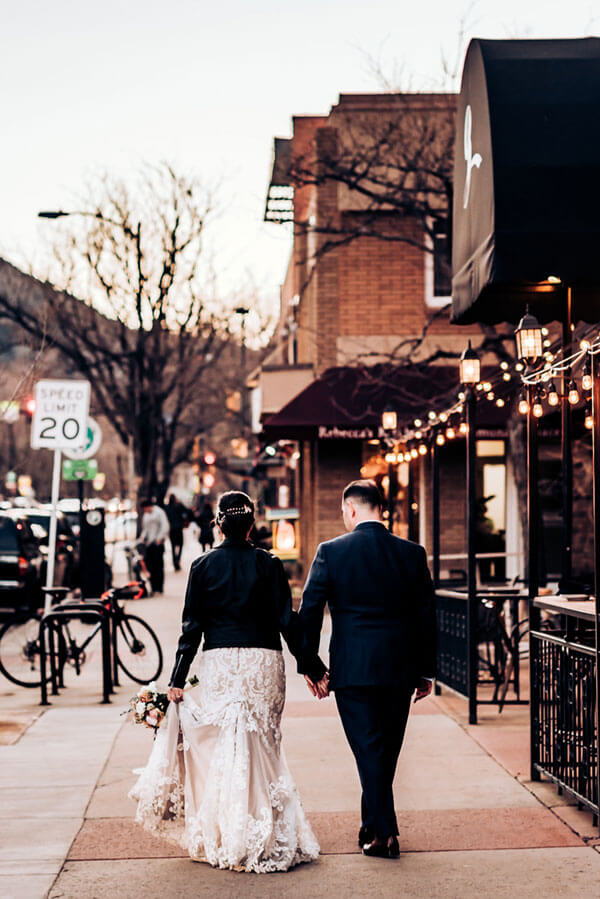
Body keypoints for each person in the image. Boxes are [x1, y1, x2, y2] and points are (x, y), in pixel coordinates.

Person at [130, 491, 327, 873]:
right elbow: (287, 620)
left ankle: (227, 831)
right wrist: (312, 666)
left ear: (218, 524)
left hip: (220, 661)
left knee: (224, 747)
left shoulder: (202, 566)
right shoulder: (269, 564)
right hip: (263, 662)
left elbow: (191, 629)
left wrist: (177, 679)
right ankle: (265, 832)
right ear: (252, 524)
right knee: (263, 746)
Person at [299, 479, 436, 860]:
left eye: (344, 511)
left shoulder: (331, 552)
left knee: (369, 751)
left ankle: (385, 833)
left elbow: (308, 612)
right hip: (399, 668)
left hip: (353, 669)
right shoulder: (411, 553)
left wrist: (312, 666)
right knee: (383, 752)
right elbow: (426, 615)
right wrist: (426, 671)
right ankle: (371, 826)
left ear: (352, 510)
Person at [139, 498, 170, 594]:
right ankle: (153, 587)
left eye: (145, 508)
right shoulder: (146, 515)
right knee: (150, 566)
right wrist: (142, 537)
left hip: (157, 543)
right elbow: (145, 529)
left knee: (158, 566)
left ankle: (159, 588)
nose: (145, 511)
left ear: (149, 506)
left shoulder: (159, 512)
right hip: (149, 544)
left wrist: (160, 538)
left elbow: (165, 526)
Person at [166, 494, 188, 571]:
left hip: (171, 529)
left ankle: (174, 561)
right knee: (180, 545)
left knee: (173, 546)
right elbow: (187, 511)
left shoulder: (167, 507)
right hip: (178, 528)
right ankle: (178, 560)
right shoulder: (179, 505)